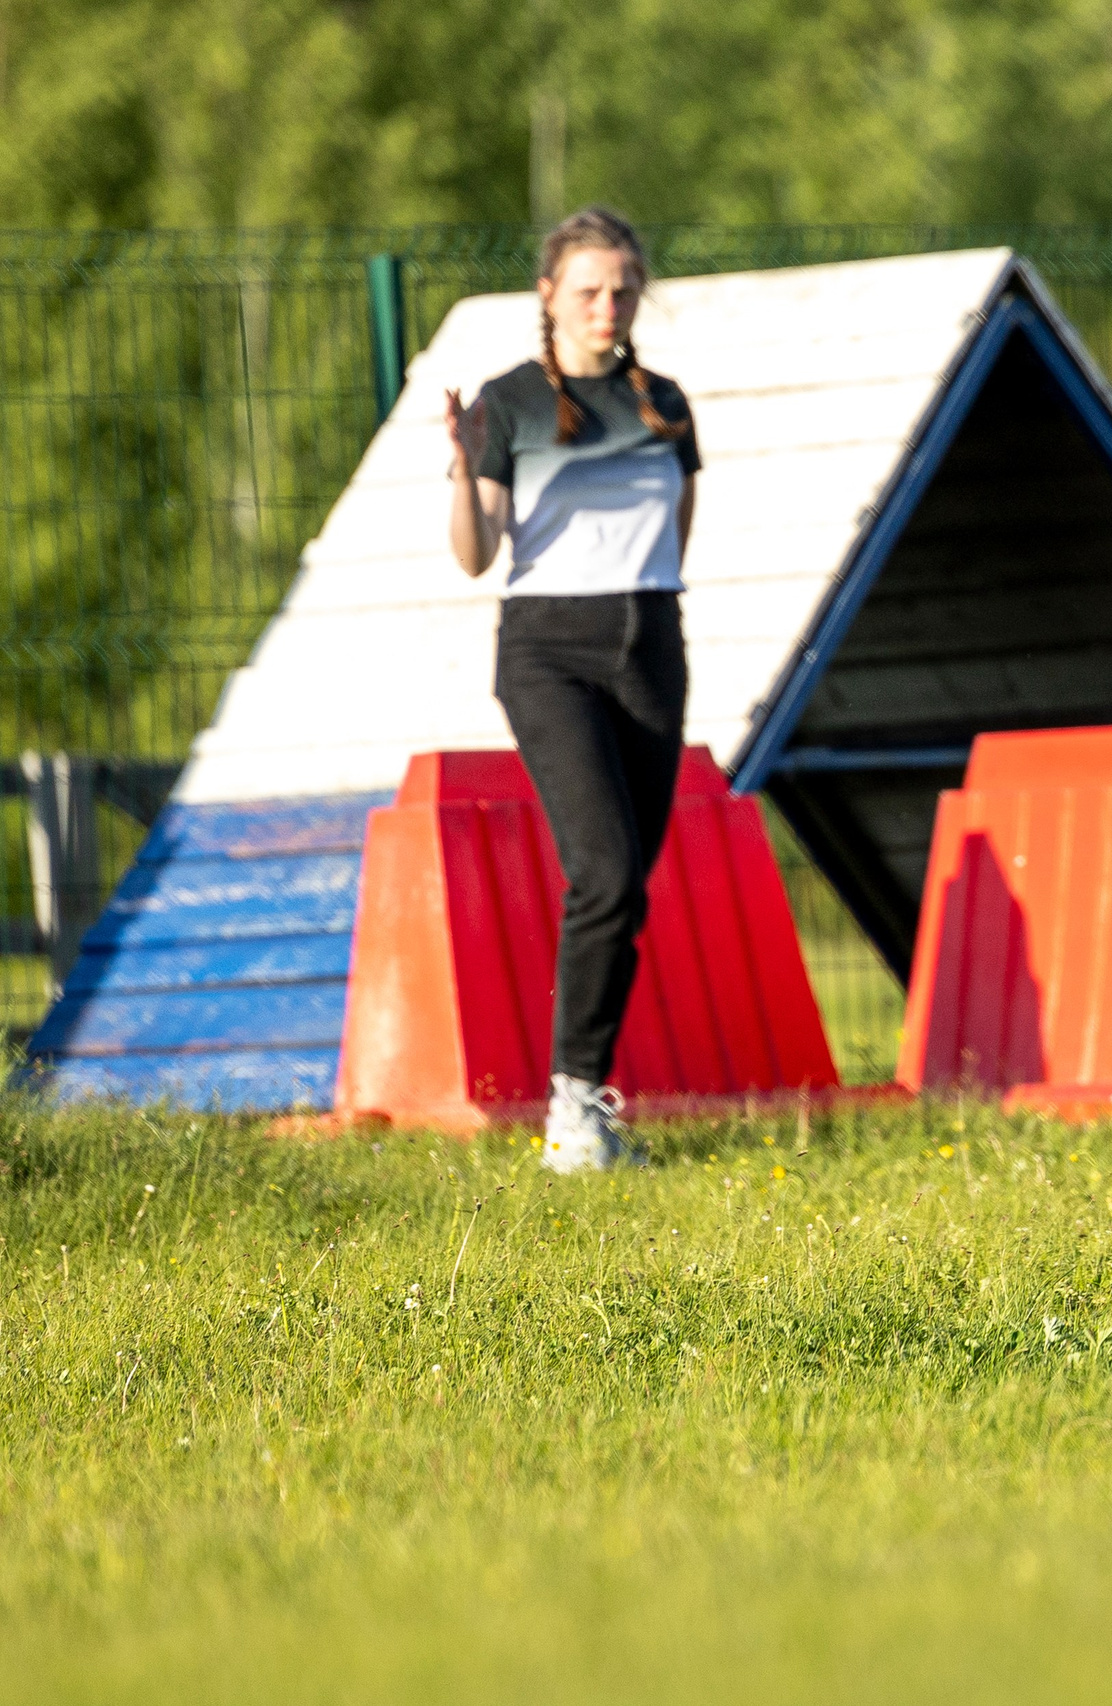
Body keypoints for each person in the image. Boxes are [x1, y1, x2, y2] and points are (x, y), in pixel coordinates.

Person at [442, 206, 700, 1173]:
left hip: (651, 642)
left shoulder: (664, 401)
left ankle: (586, 1104)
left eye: (624, 288)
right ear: (548, 295)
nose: (609, 305)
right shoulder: (505, 402)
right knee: (602, 869)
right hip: (548, 651)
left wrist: (647, 612)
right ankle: (571, 1118)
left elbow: (680, 527)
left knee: (627, 885)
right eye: (589, 289)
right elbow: (474, 557)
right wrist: (463, 474)